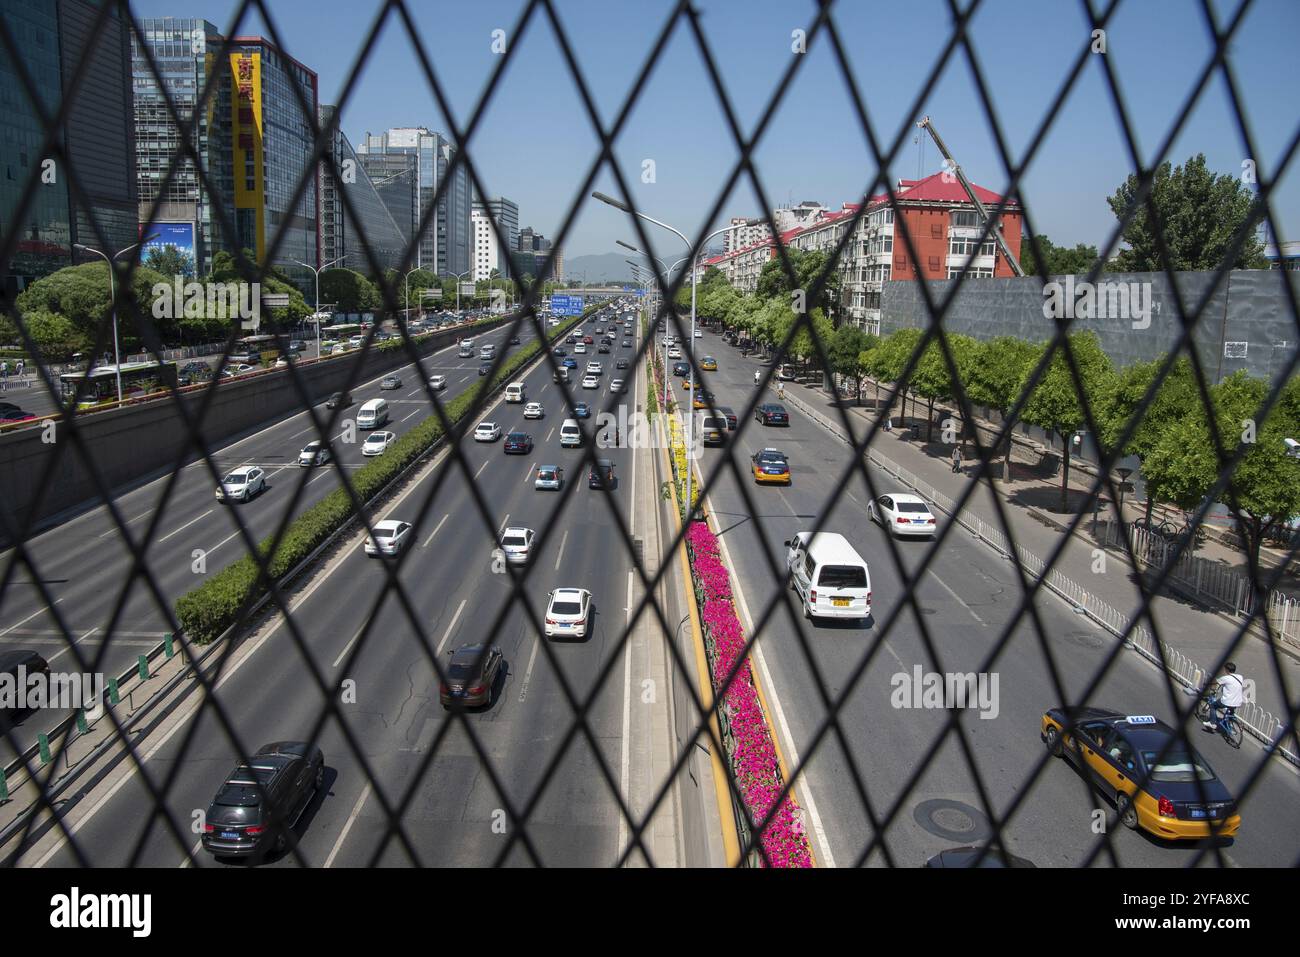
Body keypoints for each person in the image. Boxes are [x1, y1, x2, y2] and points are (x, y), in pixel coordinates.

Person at [1203, 662, 1245, 730]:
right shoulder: (1240, 677)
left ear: (1227, 670)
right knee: (1231, 712)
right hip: (1238, 701)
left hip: (1227, 701)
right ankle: (1231, 723)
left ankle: (1212, 723)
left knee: (1213, 706)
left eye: (1225, 669)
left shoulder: (1226, 678)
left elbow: (1216, 682)